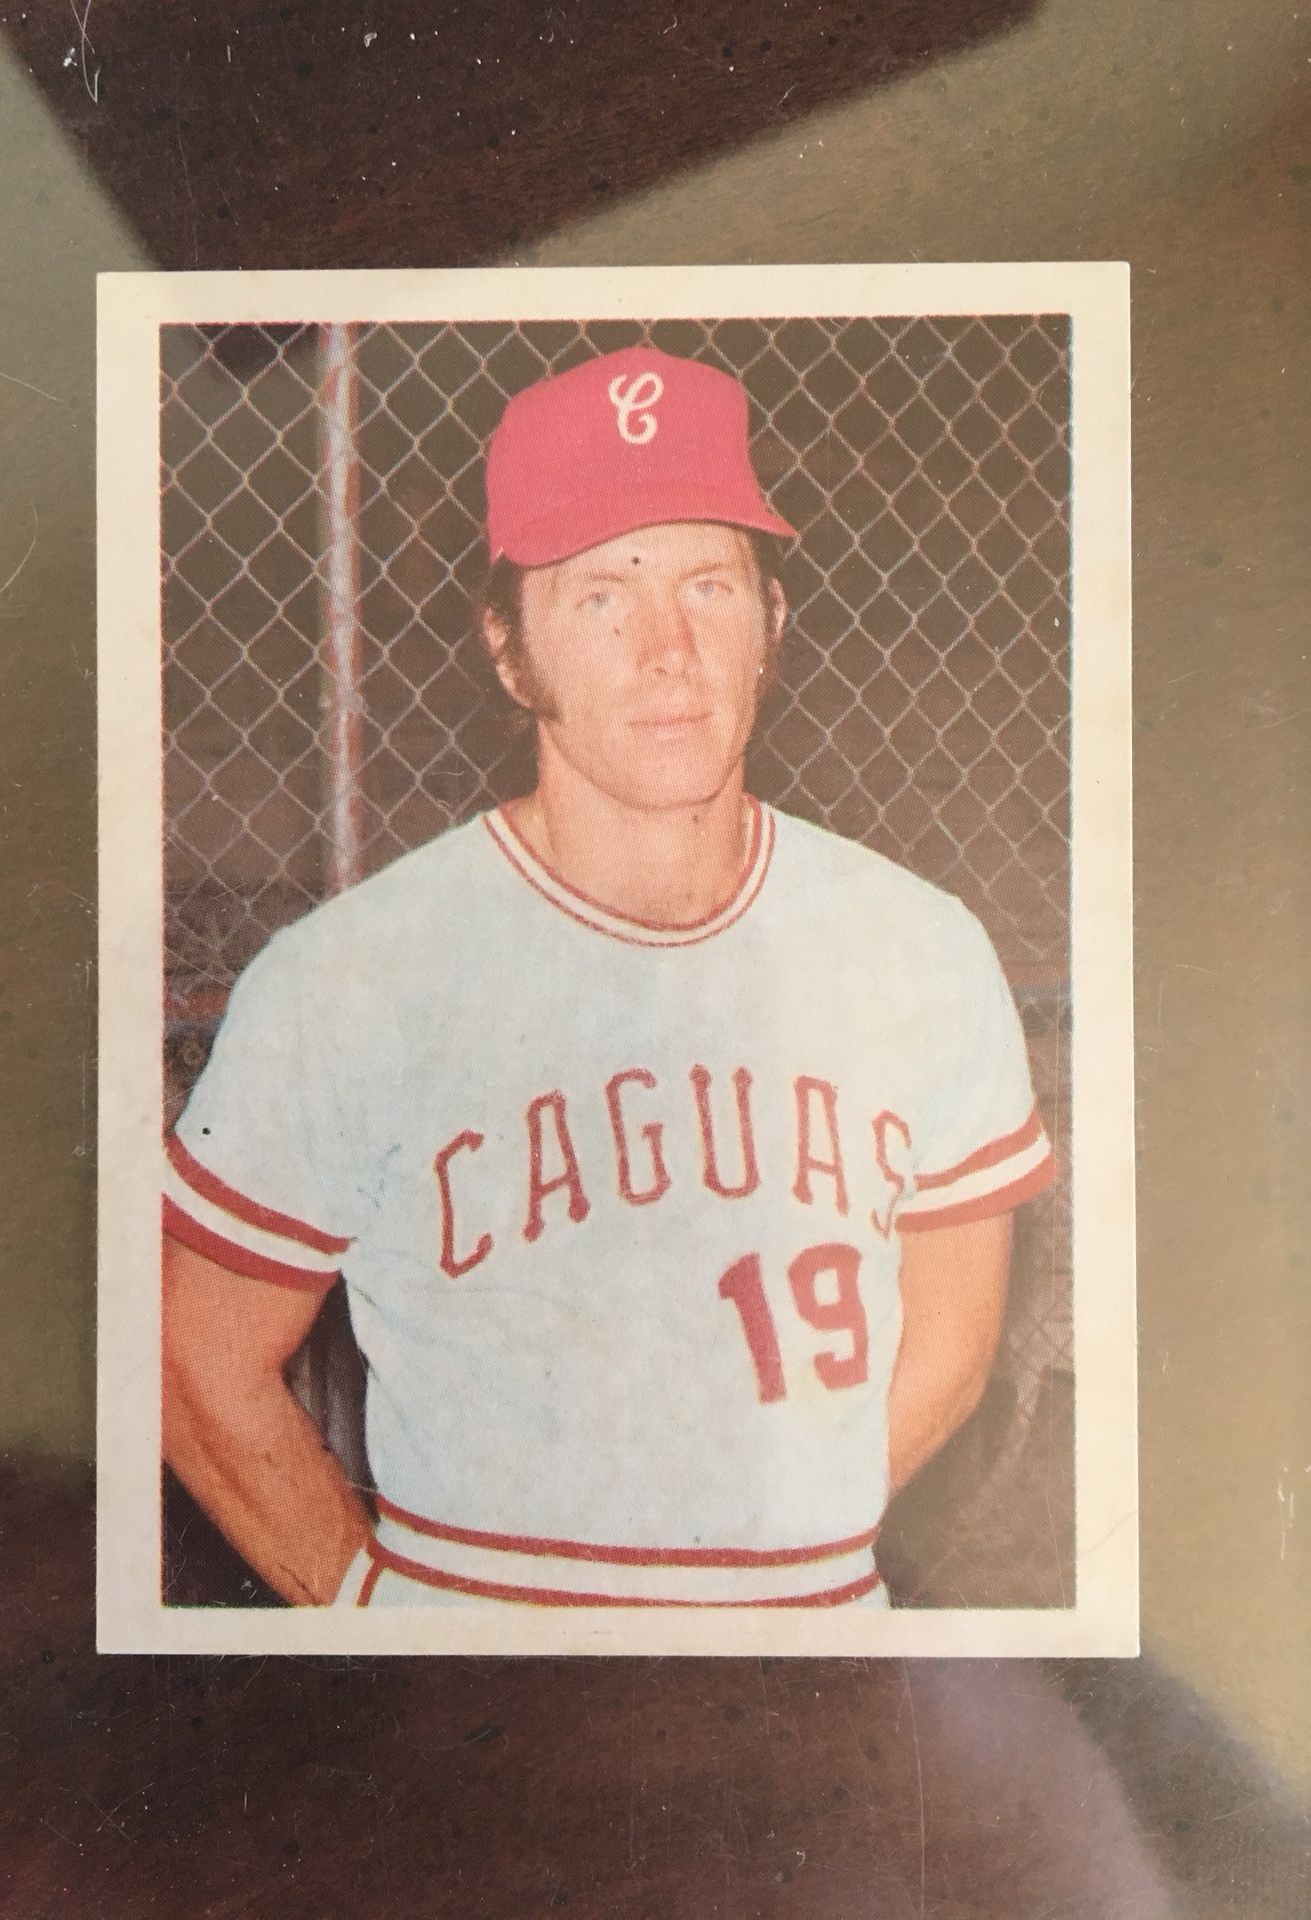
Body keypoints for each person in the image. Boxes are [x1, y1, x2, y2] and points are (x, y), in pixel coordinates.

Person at [161, 345, 1054, 1609]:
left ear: (773, 622)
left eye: (709, 584)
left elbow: (953, 1342)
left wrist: (767, 1563)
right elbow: (192, 1360)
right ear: (509, 649)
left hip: (806, 1658)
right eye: (598, 597)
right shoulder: (354, 980)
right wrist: (384, 1631)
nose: (667, 648)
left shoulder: (919, 947)